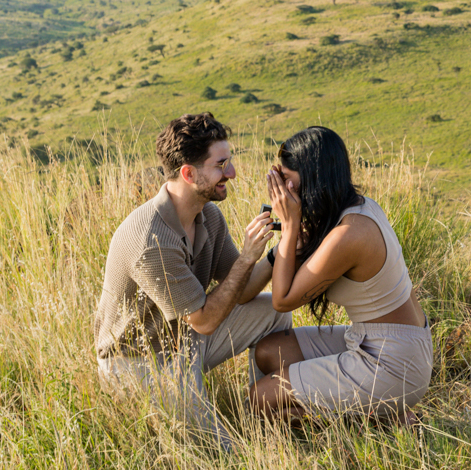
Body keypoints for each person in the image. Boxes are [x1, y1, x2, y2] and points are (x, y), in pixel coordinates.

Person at [93, 113, 291, 449]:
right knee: (227, 452)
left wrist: (279, 250)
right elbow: (205, 320)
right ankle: (229, 432)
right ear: (189, 173)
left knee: (273, 310)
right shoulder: (152, 242)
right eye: (221, 164)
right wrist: (247, 258)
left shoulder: (208, 215)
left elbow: (239, 290)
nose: (231, 172)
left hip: (185, 339)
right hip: (141, 364)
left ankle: (266, 410)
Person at [246, 126, 432, 421]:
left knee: (260, 398)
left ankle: (377, 415)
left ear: (314, 180)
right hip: (372, 340)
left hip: (394, 363)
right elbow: (248, 292)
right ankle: (371, 411)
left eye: (288, 183)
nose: (284, 193)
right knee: (269, 351)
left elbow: (282, 300)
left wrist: (290, 225)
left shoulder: (349, 234)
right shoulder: (350, 211)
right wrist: (262, 249)